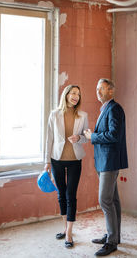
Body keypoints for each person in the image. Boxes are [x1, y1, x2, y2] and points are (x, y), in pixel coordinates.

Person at [84, 78, 128, 256]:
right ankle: (114, 236)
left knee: (104, 200)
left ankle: (111, 242)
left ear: (111, 91)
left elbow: (113, 135)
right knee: (113, 200)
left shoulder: (114, 108)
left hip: (109, 162)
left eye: (102, 88)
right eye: (97, 88)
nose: (98, 91)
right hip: (104, 161)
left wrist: (92, 137)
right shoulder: (106, 109)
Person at [44, 85, 89, 248]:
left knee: (71, 195)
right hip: (56, 159)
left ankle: (69, 233)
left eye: (78, 93)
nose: (76, 96)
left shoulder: (83, 115)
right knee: (61, 194)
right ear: (66, 95)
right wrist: (46, 162)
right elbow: (49, 139)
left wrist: (79, 138)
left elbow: (86, 137)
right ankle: (65, 227)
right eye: (73, 93)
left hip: (75, 160)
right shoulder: (54, 114)